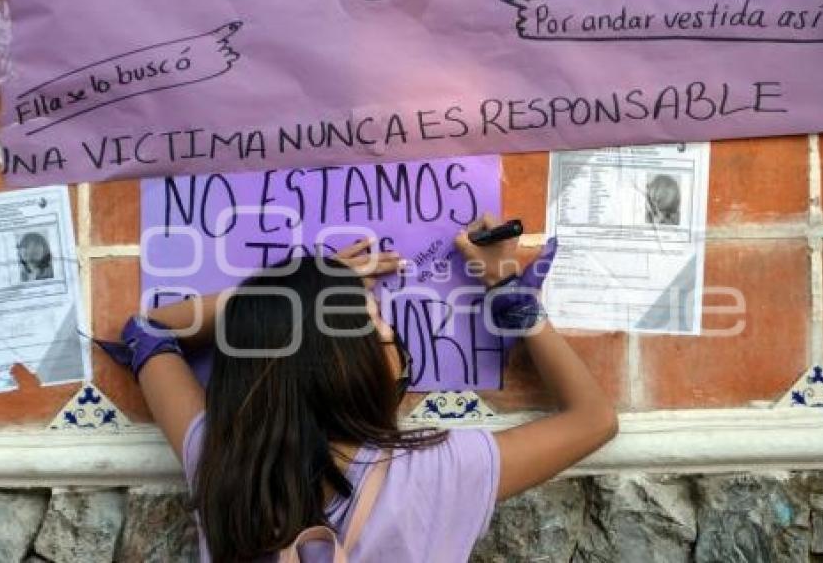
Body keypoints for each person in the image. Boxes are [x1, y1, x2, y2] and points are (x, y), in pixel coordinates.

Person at [99, 215, 618, 562]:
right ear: (346, 362)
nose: (389, 331)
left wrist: (297, 291)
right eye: (374, 322)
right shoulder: (438, 468)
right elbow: (595, 419)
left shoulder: (219, 457)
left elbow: (147, 332)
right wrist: (510, 295)